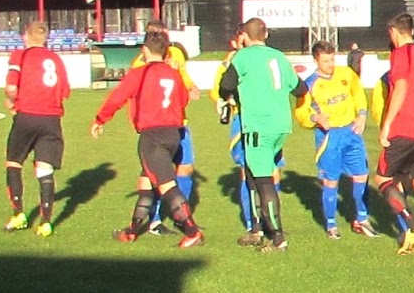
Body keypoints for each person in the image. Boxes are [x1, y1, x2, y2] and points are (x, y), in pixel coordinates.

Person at [93, 29, 204, 248]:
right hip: (173, 134)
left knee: (166, 186)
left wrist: (100, 119)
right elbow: (182, 100)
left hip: (152, 136)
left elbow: (117, 98)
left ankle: (192, 232)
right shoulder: (173, 74)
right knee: (146, 183)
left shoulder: (139, 73)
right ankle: (132, 231)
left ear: (144, 50)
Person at [217, 18, 308, 252]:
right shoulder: (278, 56)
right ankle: (256, 229)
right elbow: (300, 88)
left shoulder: (243, 56)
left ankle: (278, 239)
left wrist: (230, 95)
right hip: (280, 125)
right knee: (252, 173)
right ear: (265, 34)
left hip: (258, 125)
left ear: (245, 37)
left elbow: (226, 85)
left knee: (263, 180)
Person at [367, 13, 414, 257]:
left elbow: (400, 86)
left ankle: (412, 226)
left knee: (382, 178)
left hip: (406, 126)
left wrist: (387, 123)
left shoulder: (401, 54)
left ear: (393, 31)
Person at [294, 40, 372, 239]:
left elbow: (358, 94)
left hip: (351, 132)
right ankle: (331, 225)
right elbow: (301, 113)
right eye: (325, 61)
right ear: (315, 60)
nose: (330, 64)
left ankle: (362, 219)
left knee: (361, 176)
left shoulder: (346, 74)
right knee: (331, 182)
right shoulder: (310, 84)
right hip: (329, 138)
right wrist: (315, 118)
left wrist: (362, 115)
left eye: (332, 59)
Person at [2, 20, 69, 236]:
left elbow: (12, 87)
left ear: (26, 36)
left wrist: (12, 102)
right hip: (51, 119)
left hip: (28, 115)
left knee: (13, 162)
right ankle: (46, 222)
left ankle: (19, 214)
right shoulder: (56, 59)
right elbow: (65, 91)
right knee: (45, 169)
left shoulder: (20, 55)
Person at [134, 19, 198, 233]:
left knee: (186, 168)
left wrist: (191, 88)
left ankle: (180, 216)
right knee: (158, 176)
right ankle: (155, 221)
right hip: (155, 128)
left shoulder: (176, 55)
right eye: (156, 34)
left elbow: (184, 80)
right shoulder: (140, 64)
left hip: (179, 124)